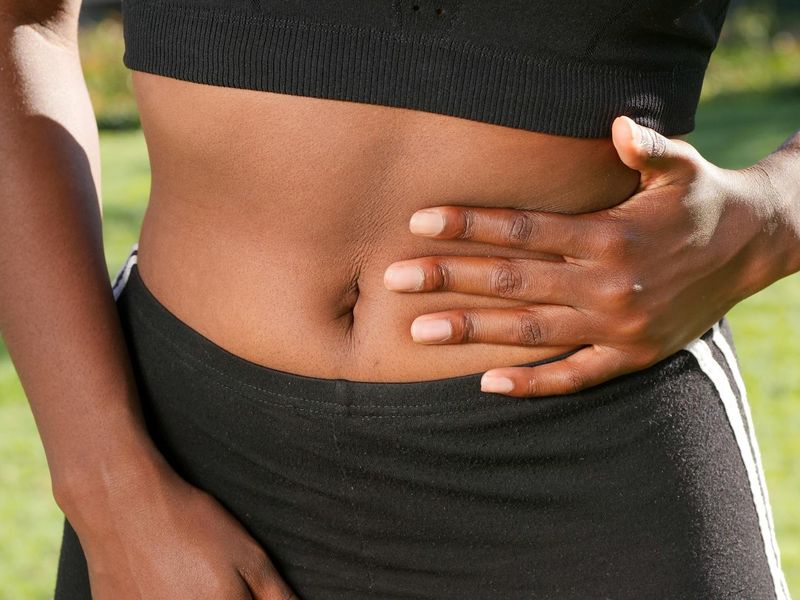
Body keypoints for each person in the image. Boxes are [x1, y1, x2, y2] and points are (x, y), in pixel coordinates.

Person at [0, 0, 797, 598]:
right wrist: (110, 493)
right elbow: (20, 23)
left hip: (587, 471)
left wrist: (765, 218)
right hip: (184, 460)